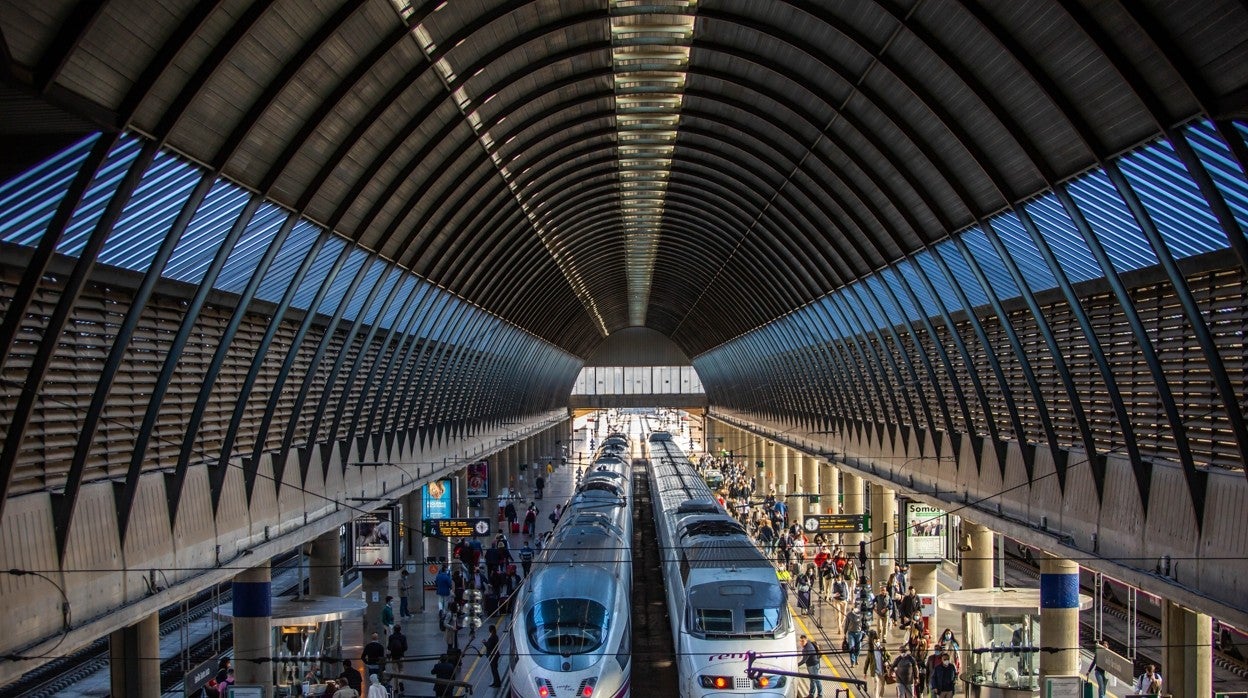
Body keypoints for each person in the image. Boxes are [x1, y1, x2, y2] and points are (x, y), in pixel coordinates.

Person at [862, 632, 891, 698]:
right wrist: (864, 672)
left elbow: (889, 656)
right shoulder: (870, 651)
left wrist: (887, 662)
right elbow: (867, 662)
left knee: (883, 685)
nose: (877, 642)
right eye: (875, 641)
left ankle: (880, 696)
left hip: (882, 671)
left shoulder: (883, 649)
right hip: (874, 671)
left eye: (878, 641)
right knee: (876, 683)